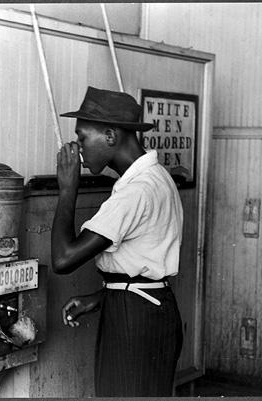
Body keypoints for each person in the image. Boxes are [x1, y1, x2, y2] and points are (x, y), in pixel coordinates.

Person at [51, 86, 184, 397]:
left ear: (110, 136)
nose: (78, 148)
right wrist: (101, 296)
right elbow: (145, 261)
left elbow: (63, 259)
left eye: (82, 137)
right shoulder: (156, 177)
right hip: (148, 308)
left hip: (135, 319)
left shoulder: (136, 191)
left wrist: (68, 189)